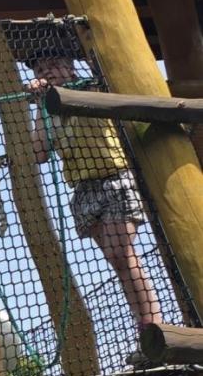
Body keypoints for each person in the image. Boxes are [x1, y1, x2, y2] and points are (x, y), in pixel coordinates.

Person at [27, 53, 164, 338]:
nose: (47, 71)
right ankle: (146, 329)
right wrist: (41, 103)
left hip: (115, 178)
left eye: (53, 63)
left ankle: (155, 327)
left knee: (121, 253)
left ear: (69, 65)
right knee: (118, 262)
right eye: (41, 69)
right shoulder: (50, 109)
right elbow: (39, 152)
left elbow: (103, 88)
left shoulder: (91, 87)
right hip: (84, 189)